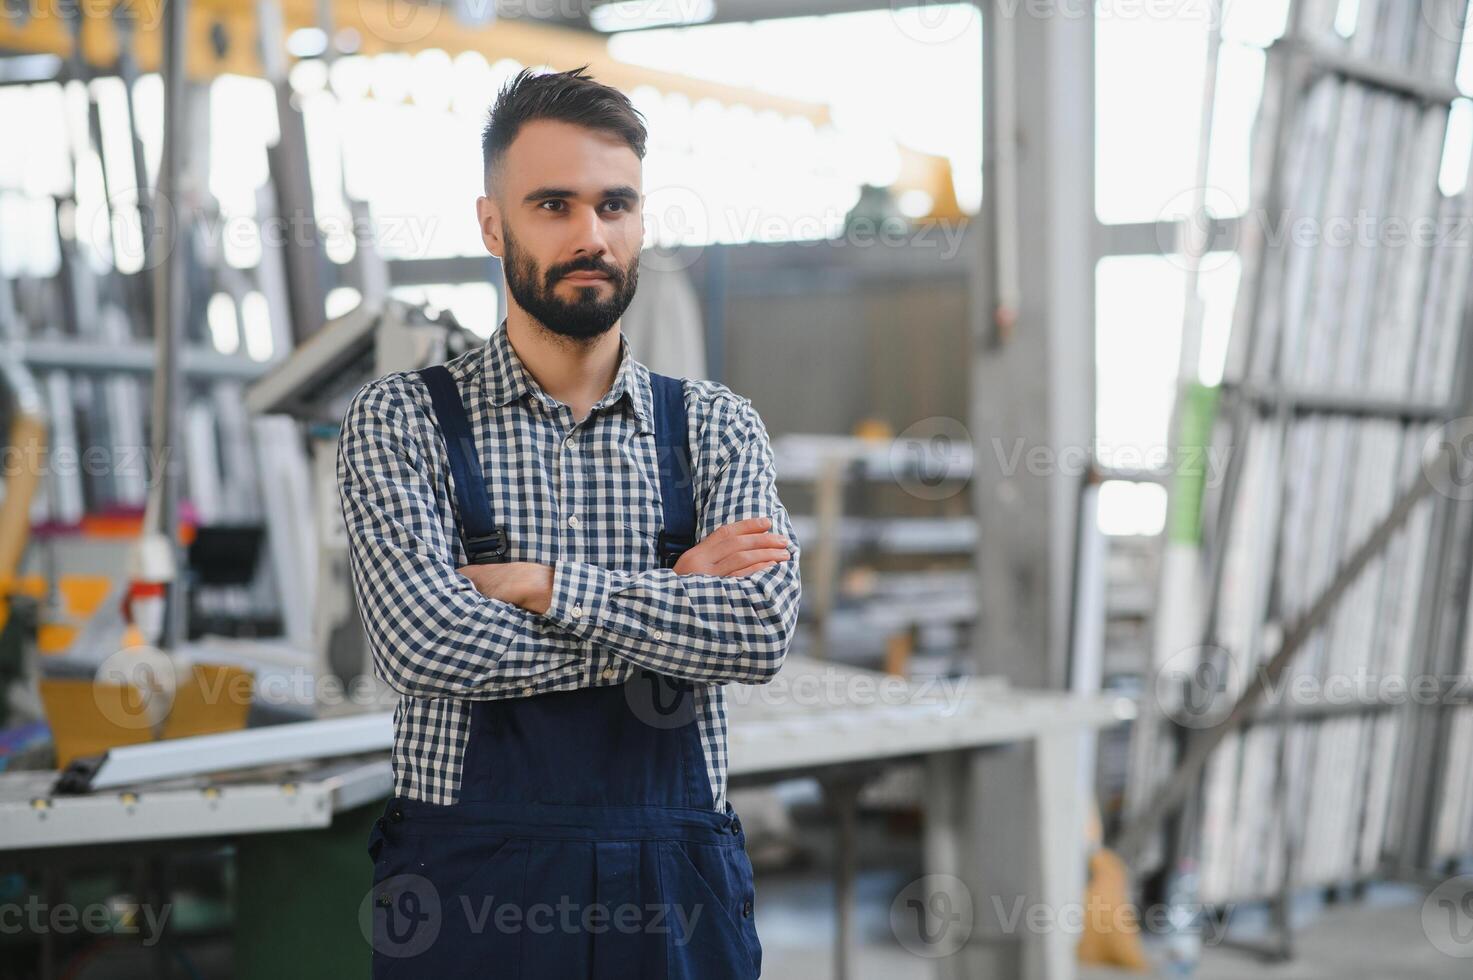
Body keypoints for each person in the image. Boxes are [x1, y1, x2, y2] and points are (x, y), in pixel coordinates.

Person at [337, 64, 802, 979]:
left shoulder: (714, 425)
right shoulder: (402, 419)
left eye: (613, 205)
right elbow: (425, 647)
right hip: (471, 885)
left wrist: (544, 587)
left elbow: (755, 634)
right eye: (552, 205)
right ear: (490, 222)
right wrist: (673, 602)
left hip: (675, 883)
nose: (590, 236)